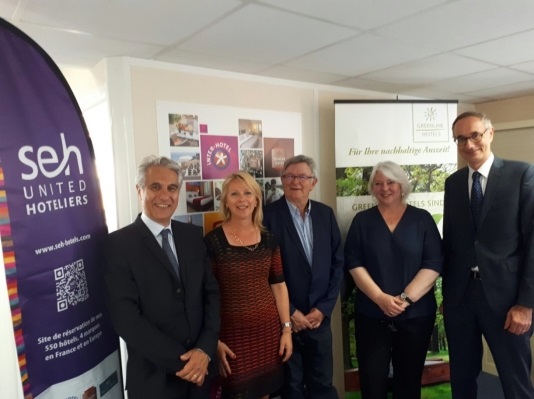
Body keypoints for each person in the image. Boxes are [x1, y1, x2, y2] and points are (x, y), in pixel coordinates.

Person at [104, 155, 220, 399]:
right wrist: (185, 364)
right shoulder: (118, 245)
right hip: (153, 382)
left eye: (172, 188)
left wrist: (204, 350)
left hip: (200, 375)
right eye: (155, 187)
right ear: (139, 190)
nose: (165, 196)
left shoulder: (192, 235)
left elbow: (211, 295)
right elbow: (127, 320)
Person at [442, 111, 534, 399]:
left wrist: (526, 304)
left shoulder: (521, 174)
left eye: (475, 135)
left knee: (514, 381)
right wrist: (448, 295)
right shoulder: (453, 183)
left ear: (490, 134)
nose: (468, 144)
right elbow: (453, 244)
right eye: (460, 138)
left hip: (507, 302)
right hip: (461, 298)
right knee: (462, 378)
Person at [344, 161, 442, 399]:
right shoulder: (362, 222)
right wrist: (380, 299)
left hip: (415, 316)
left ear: (401, 185)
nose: (384, 188)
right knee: (372, 380)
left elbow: (433, 264)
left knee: (408, 380)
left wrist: (404, 299)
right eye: (378, 183)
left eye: (390, 182)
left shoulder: (422, 219)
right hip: (372, 315)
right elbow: (354, 264)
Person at [204, 171, 292, 399]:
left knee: (264, 394)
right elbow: (204, 296)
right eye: (234, 194)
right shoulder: (212, 242)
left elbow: (279, 286)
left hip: (268, 335)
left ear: (256, 200)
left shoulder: (269, 239)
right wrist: (213, 340)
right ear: (225, 200)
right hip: (231, 339)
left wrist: (286, 330)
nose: (242, 199)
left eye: (247, 193)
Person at [263, 154, 344, 399]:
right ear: (281, 180)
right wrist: (291, 312)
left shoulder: (325, 214)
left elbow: (337, 265)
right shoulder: (266, 217)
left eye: (302, 176)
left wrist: (324, 309)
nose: (295, 181)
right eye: (289, 176)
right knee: (292, 388)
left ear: (313, 182)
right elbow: (264, 272)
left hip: (320, 320)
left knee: (322, 386)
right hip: (285, 323)